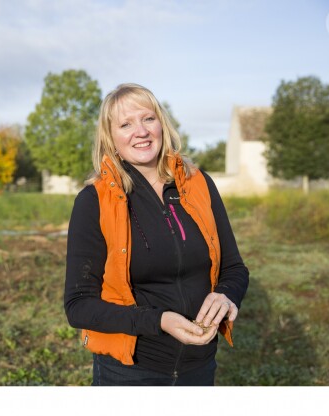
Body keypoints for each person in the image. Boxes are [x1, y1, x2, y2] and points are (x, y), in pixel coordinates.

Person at [64, 83, 249, 386]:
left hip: (200, 366)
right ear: (110, 138)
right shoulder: (94, 201)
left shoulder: (198, 184)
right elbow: (78, 305)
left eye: (148, 119)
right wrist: (159, 320)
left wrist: (227, 295)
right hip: (130, 372)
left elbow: (234, 267)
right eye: (125, 124)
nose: (141, 131)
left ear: (161, 124)